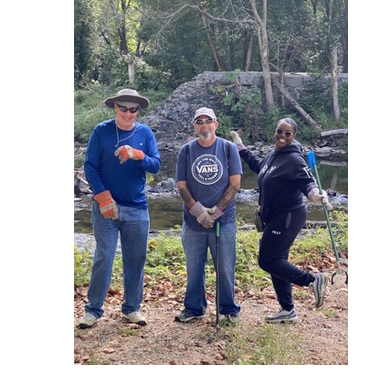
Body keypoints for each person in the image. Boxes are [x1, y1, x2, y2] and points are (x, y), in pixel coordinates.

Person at [230, 118, 333, 323]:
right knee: (278, 261)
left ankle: (312, 280)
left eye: (288, 133)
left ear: (293, 136)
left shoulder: (295, 159)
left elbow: (307, 182)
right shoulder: (272, 156)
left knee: (267, 260)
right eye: (280, 131)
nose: (282, 136)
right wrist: (240, 146)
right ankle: (287, 310)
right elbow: (258, 166)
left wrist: (316, 195)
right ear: (275, 132)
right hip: (274, 216)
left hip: (288, 216)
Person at [77, 89, 161, 329]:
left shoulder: (144, 133)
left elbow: (155, 165)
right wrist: (103, 196)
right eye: (123, 108)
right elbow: (90, 167)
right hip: (105, 208)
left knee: (136, 259)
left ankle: (132, 308)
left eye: (133, 109)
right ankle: (93, 310)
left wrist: (137, 155)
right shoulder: (101, 131)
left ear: (138, 110)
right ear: (115, 108)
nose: (128, 113)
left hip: (137, 207)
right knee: (104, 257)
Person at [173, 107, 242, 327]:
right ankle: (194, 307)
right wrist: (198, 211)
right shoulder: (186, 151)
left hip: (224, 221)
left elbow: (235, 185)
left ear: (216, 124)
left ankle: (228, 309)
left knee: (225, 267)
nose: (204, 125)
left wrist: (216, 211)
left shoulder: (228, 148)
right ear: (195, 126)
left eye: (208, 121)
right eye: (199, 121)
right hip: (194, 223)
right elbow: (181, 186)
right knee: (194, 267)